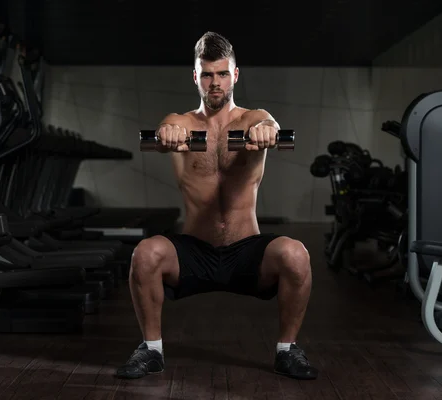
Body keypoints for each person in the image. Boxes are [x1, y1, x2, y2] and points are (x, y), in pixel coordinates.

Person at [115, 31, 317, 381]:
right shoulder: (182, 123)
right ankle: (151, 350)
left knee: (296, 255)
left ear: (235, 75)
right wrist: (168, 135)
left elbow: (269, 124)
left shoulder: (254, 119)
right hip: (194, 250)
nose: (215, 82)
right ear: (196, 77)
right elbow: (166, 129)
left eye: (222, 73)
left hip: (246, 251)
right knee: (145, 254)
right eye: (207, 74)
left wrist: (269, 131)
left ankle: (288, 350)